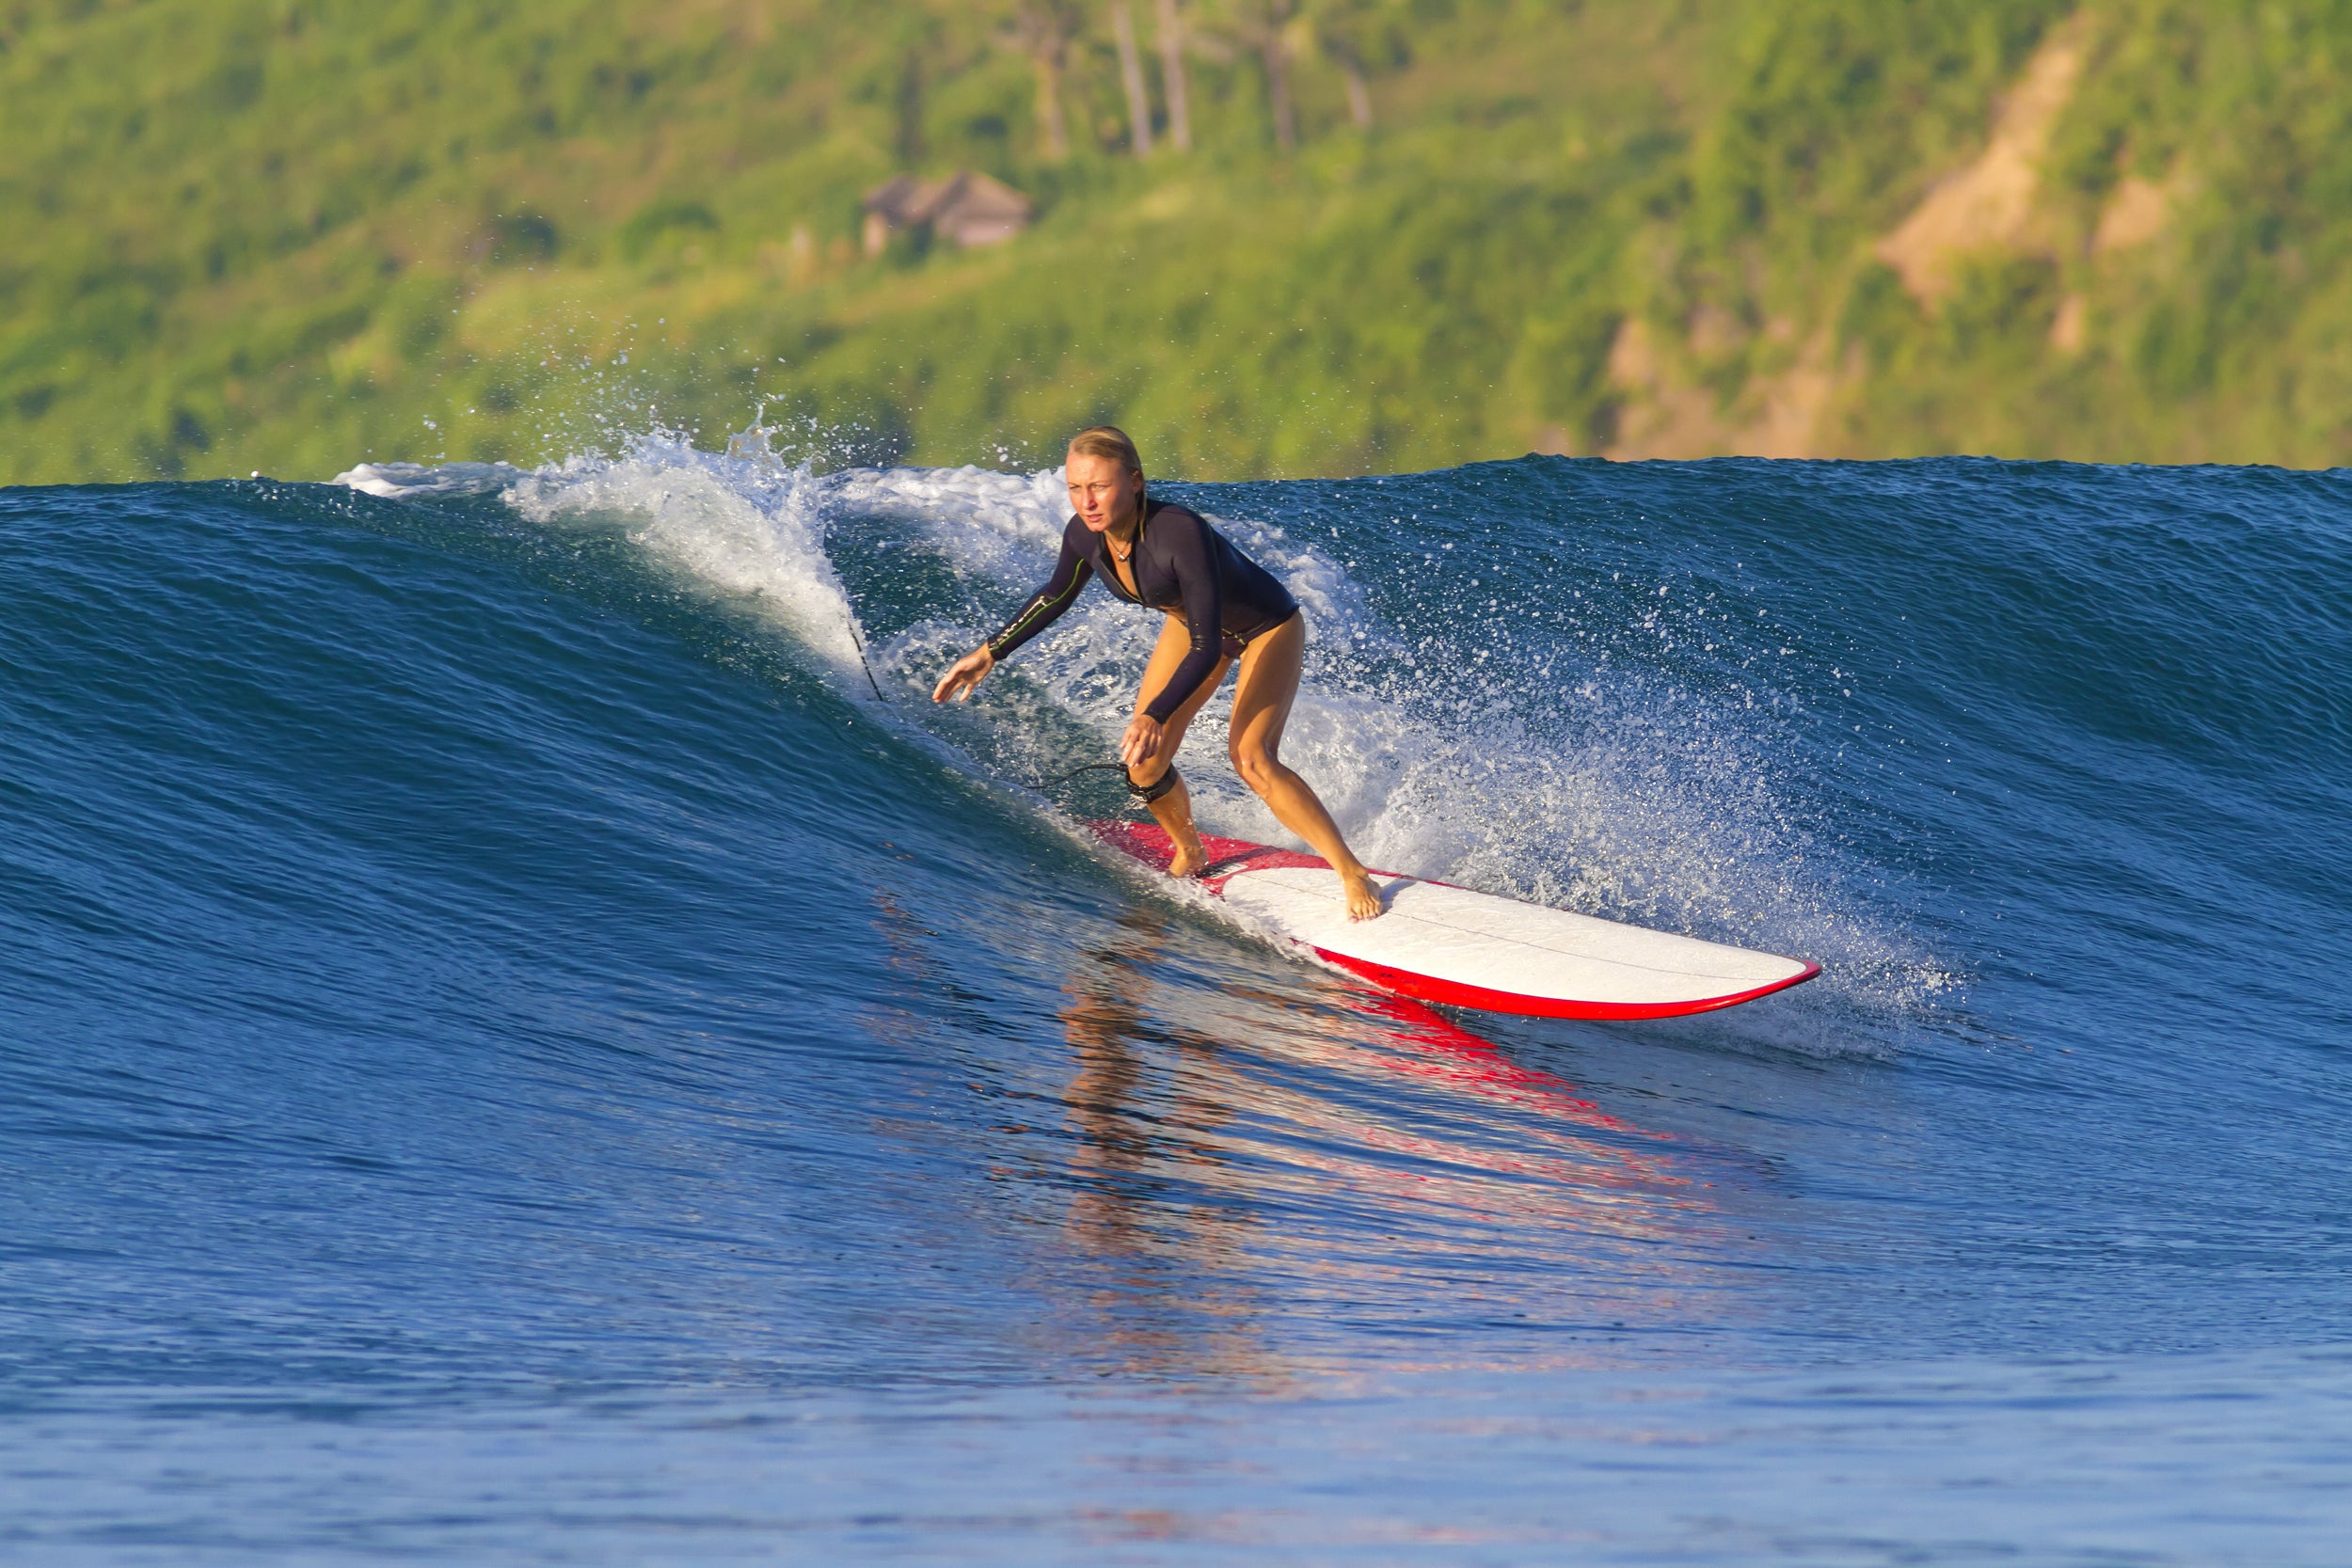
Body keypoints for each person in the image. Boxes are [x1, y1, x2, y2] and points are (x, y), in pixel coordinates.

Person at [932, 426, 1384, 921]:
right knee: (1143, 764)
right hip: (1189, 626)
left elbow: (1209, 644)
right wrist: (989, 652)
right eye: (1076, 488)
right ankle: (1190, 851)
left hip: (1263, 627)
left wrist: (1156, 713)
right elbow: (1057, 594)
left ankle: (1350, 869)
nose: (1087, 501)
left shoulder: (1178, 533)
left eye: (1100, 486)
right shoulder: (1086, 534)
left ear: (1134, 482)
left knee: (1251, 758)